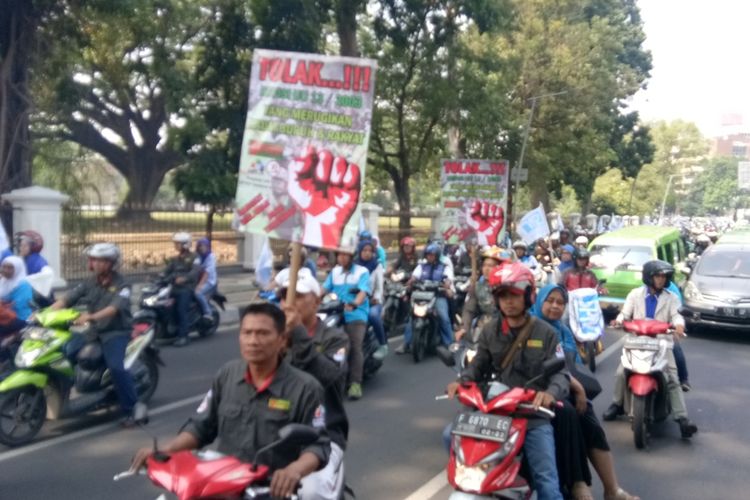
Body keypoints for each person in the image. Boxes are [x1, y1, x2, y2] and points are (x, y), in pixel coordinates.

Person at [130, 303, 331, 499]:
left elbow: (318, 445)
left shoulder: (305, 388)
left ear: (281, 340)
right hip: (221, 485)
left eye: (263, 333)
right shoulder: (227, 375)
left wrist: (293, 470)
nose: (253, 341)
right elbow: (202, 426)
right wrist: (167, 450)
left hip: (270, 489)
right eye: (247, 333)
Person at [445, 262, 569, 500]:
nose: (508, 301)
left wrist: (550, 393)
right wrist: (462, 381)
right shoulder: (491, 330)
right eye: (502, 296)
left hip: (532, 414)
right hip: (496, 412)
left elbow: (561, 372)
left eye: (513, 295)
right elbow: (478, 363)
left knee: (547, 484)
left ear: (527, 295)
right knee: (448, 434)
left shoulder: (546, 333)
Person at [532, 285, 639, 500]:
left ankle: (612, 489)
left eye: (560, 302)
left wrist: (574, 385)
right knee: (569, 414)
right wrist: (576, 387)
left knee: (588, 416)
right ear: (538, 300)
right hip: (537, 389)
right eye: (550, 300)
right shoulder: (531, 326)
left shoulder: (562, 330)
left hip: (562, 386)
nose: (554, 306)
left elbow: (571, 362)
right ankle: (579, 484)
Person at [50, 243, 143, 427]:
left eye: (101, 260)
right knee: (64, 351)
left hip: (116, 332)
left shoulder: (122, 285)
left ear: (111, 263)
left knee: (116, 368)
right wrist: (45, 313)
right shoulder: (89, 282)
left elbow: (113, 309)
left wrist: (90, 317)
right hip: (94, 332)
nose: (96, 264)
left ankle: (131, 408)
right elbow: (68, 299)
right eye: (94, 260)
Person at [602, 260, 698, 439]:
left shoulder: (671, 298)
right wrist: (619, 321)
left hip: (662, 342)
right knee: (622, 372)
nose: (661, 280)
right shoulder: (635, 294)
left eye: (663, 276)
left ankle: (682, 419)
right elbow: (625, 313)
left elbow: (677, 315)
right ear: (649, 277)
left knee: (672, 377)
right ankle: (616, 404)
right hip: (637, 340)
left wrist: (679, 325)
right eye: (658, 276)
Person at [279, 272, 349, 500]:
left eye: (298, 296)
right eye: (284, 296)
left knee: (311, 492)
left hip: (322, 436)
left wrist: (298, 334)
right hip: (274, 433)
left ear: (317, 301)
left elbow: (329, 376)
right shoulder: (274, 338)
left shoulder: (335, 338)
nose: (289, 302)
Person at [322, 247, 370, 401]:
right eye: (339, 255)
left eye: (345, 255)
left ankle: (355, 383)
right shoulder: (335, 272)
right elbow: (322, 290)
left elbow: (363, 292)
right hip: (334, 311)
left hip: (355, 313)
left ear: (352, 256)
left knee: (354, 347)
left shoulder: (362, 271)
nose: (341, 258)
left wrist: (355, 303)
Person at [395, 243, 454, 354]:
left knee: (444, 318)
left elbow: (448, 279)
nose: (430, 257)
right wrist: (410, 283)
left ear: (437, 255)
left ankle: (449, 343)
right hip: (421, 296)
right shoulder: (421, 266)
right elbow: (414, 276)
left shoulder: (444, 267)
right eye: (428, 255)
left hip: (437, 296)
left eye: (432, 255)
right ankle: (406, 344)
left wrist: (446, 284)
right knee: (412, 317)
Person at [455, 246, 505, 343]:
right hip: (483, 330)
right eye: (485, 265)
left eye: (491, 266)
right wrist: (464, 328)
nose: (486, 269)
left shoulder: (508, 287)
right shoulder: (478, 287)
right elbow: (469, 310)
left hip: (504, 331)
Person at [163, 232, 203, 347]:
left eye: (178, 244)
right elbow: (167, 271)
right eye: (175, 243)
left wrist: (184, 279)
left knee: (181, 310)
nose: (176, 246)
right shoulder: (175, 259)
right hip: (173, 288)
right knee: (166, 307)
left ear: (185, 244)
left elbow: (195, 272)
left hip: (186, 288)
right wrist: (158, 277)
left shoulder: (194, 257)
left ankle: (184, 336)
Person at [355, 240, 388, 360]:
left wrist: (376, 298)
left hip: (372, 301)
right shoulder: (354, 265)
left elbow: (379, 287)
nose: (367, 253)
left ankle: (383, 345)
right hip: (354, 300)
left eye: (370, 251)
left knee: (373, 315)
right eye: (364, 250)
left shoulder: (376, 266)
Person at [0, 255, 33, 337]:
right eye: (4, 267)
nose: (5, 270)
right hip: (4, 316)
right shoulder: (3, 281)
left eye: (10, 268)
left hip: (19, 318)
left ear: (17, 269)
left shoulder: (23, 284)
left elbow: (18, 306)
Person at [194, 238, 217, 322]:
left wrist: (200, 286)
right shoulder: (197, 256)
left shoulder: (211, 257)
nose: (202, 248)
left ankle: (208, 312)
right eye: (200, 246)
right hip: (197, 280)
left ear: (207, 247)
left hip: (209, 282)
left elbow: (207, 273)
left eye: (204, 246)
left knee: (198, 293)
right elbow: (194, 268)